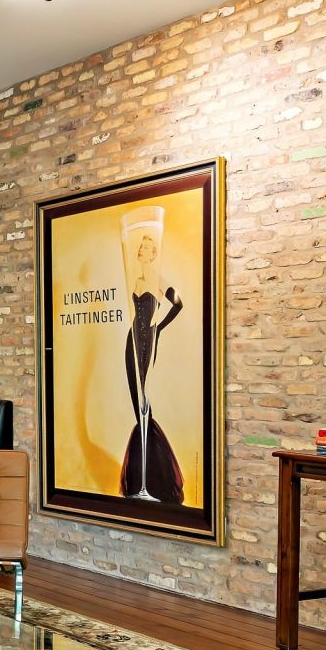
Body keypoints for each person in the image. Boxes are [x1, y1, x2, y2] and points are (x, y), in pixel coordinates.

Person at [119, 206, 184, 504]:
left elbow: (179, 304)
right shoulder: (137, 279)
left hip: (147, 342)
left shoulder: (157, 278)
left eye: (146, 247)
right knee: (137, 404)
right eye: (140, 247)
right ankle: (142, 482)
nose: (142, 250)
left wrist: (159, 328)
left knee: (145, 403)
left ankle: (155, 481)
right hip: (132, 340)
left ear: (153, 252)